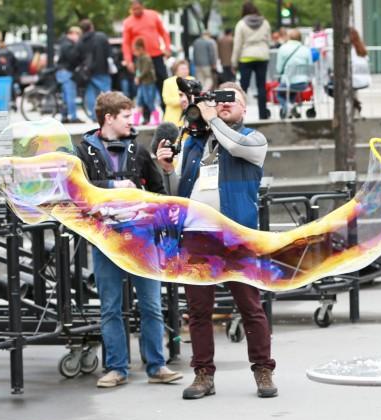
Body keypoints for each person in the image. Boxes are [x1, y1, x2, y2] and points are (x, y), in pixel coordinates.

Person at [155, 82, 278, 400]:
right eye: (217, 99)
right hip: (197, 236)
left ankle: (263, 370)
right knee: (197, 310)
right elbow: (177, 189)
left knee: (250, 306)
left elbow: (234, 146)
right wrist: (167, 168)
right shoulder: (195, 144)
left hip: (236, 235)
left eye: (231, 100)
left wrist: (212, 119)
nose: (223, 105)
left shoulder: (253, 139)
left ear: (244, 108)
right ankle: (203, 374)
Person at [74, 92, 182, 389]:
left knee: (151, 305)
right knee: (110, 306)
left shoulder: (138, 150)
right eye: (125, 116)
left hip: (142, 240)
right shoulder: (83, 151)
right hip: (105, 239)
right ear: (108, 118)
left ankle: (156, 365)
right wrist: (112, 185)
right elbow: (77, 190)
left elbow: (159, 193)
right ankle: (116, 367)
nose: (130, 121)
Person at [232, 1, 273, 120]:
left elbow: (237, 45)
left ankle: (241, 115)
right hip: (262, 56)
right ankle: (263, 115)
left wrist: (234, 62)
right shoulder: (265, 23)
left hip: (246, 57)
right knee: (261, 86)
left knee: (243, 88)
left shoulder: (241, 24)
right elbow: (269, 41)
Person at [122, 0, 171, 97]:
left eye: (138, 8)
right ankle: (145, 111)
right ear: (131, 9)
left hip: (156, 55)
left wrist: (167, 47)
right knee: (143, 84)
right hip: (140, 59)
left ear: (142, 6)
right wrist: (128, 61)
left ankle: (166, 107)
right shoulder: (128, 22)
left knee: (162, 81)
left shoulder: (153, 15)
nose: (136, 11)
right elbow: (126, 43)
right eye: (134, 9)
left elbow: (164, 33)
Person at [327, 28, 371, 116]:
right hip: (364, 80)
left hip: (352, 80)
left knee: (329, 88)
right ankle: (354, 103)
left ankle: (353, 104)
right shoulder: (362, 50)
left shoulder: (347, 51)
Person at [274, 29, 313, 119]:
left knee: (279, 93)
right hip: (303, 84)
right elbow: (310, 66)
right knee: (292, 92)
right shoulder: (306, 50)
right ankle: (292, 107)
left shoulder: (283, 48)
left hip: (288, 82)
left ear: (289, 37)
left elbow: (279, 69)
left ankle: (288, 107)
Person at [78, 19, 112, 121]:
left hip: (88, 72)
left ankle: (94, 116)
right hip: (102, 69)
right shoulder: (101, 37)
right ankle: (109, 113)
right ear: (91, 26)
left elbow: (77, 56)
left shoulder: (81, 41)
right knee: (107, 94)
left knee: (90, 93)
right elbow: (109, 52)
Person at [55, 26, 82, 123]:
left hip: (62, 72)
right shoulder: (68, 44)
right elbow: (72, 58)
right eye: (78, 35)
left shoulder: (64, 43)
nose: (78, 37)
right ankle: (73, 117)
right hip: (66, 72)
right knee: (70, 95)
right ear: (73, 34)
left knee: (65, 96)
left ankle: (64, 116)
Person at [132, 38, 158, 125]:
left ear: (141, 49)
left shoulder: (146, 58)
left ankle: (157, 120)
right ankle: (136, 121)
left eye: (136, 50)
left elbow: (145, 70)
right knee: (139, 101)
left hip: (148, 82)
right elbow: (138, 70)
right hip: (142, 83)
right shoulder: (139, 58)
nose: (134, 53)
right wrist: (137, 77)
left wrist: (138, 77)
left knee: (149, 101)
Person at [161, 59, 192, 125]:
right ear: (176, 70)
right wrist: (181, 101)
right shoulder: (168, 82)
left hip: (190, 117)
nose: (185, 71)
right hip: (172, 119)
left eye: (186, 68)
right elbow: (166, 100)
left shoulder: (192, 80)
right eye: (182, 69)